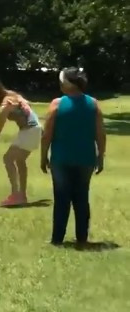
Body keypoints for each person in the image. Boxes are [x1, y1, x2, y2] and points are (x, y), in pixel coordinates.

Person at [40, 67, 106, 247]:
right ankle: (82, 237)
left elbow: (47, 134)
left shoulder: (56, 104)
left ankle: (57, 239)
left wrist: (43, 156)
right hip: (85, 158)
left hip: (61, 159)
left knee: (61, 198)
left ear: (66, 84)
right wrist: (100, 157)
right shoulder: (93, 104)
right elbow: (100, 134)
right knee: (81, 197)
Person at [0, 78, 42, 206]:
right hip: (36, 128)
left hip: (29, 130)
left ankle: (15, 195)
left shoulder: (5, 106)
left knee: (8, 159)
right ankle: (22, 196)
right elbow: (27, 104)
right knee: (20, 161)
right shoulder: (12, 95)